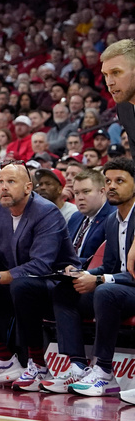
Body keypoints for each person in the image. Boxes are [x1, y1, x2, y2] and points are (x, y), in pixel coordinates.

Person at [0, 162, 77, 390]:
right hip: (15, 283)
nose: (3, 187)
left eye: (10, 182)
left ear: (28, 187)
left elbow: (41, 266)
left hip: (54, 285)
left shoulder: (46, 211)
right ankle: (3, 361)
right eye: (0, 182)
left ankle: (38, 365)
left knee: (23, 286)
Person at [42, 158, 135, 396]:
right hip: (122, 287)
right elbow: (111, 265)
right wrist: (84, 275)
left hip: (126, 289)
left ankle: (104, 371)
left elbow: (116, 276)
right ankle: (77, 365)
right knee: (64, 290)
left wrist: (101, 280)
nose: (112, 186)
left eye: (120, 181)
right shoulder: (114, 221)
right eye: (109, 181)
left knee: (106, 291)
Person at [67, 169, 113, 265]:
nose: (80, 197)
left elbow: (105, 261)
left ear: (102, 192)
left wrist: (69, 264)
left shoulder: (113, 218)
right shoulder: (75, 217)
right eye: (76, 193)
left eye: (86, 191)